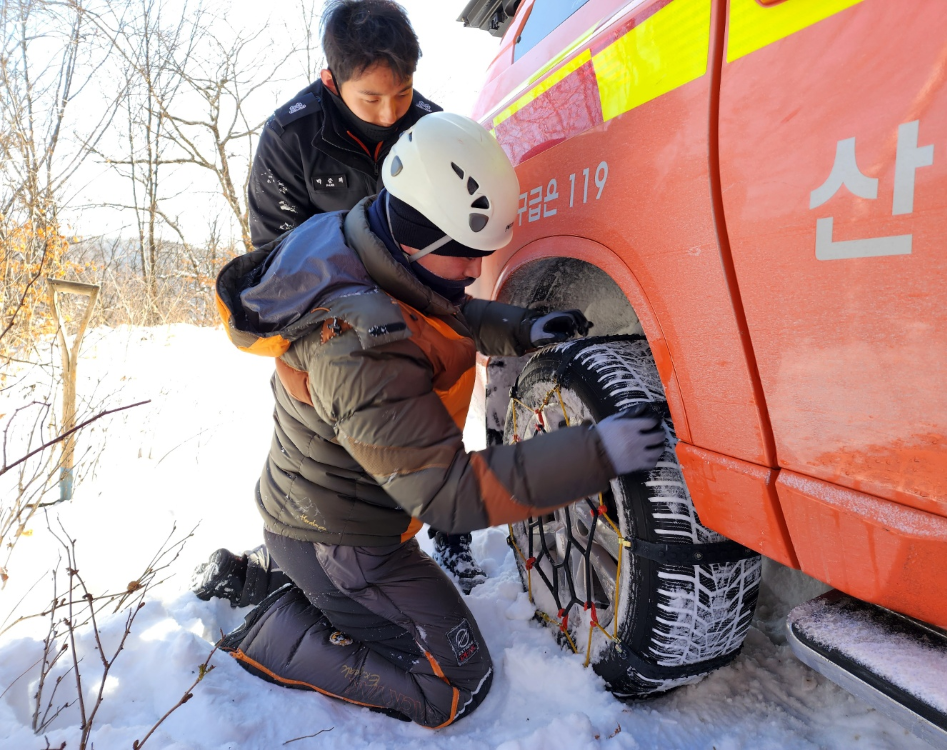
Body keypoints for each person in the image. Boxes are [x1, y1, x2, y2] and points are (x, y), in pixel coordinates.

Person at [211, 112, 668, 727]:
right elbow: (449, 495)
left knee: (390, 613)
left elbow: (439, 307)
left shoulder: (365, 241)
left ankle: (282, 581)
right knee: (457, 683)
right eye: (466, 257)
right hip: (344, 543)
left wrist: (518, 327)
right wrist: (595, 453)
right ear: (420, 240)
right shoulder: (356, 347)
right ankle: (273, 631)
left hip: (338, 515)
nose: (477, 272)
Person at [193, 0, 494, 599]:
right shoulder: (291, 136)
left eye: (402, 95)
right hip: (326, 324)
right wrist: (321, 338)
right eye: (371, 100)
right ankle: (305, 549)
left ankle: (445, 534)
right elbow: (278, 263)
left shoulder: (431, 127)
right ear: (333, 80)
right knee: (333, 450)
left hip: (420, 308)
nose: (390, 114)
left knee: (437, 414)